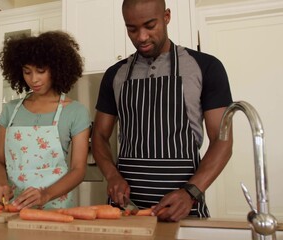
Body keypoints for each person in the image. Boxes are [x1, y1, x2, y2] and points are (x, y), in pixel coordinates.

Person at [92, 0, 233, 221]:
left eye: (150, 25)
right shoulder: (115, 75)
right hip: (126, 209)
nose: (141, 37)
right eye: (132, 29)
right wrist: (111, 176)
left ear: (166, 16)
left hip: (184, 208)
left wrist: (190, 193)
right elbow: (99, 135)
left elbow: (222, 141)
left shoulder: (205, 66)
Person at [0, 31, 91, 210]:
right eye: (27, 72)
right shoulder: (10, 110)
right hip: (14, 208)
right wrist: (1, 184)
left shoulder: (76, 111)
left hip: (56, 208)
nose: (33, 79)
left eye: (41, 71)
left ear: (56, 68)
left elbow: (78, 169)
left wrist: (45, 194)